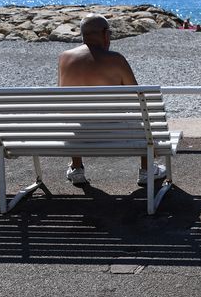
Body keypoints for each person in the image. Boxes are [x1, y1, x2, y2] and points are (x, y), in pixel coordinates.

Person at [58, 13, 166, 186]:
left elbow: (63, 97)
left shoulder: (64, 58)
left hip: (78, 133)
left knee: (74, 116)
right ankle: (146, 171)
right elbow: (137, 96)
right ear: (105, 34)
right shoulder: (116, 60)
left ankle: (77, 168)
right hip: (115, 130)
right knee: (144, 119)